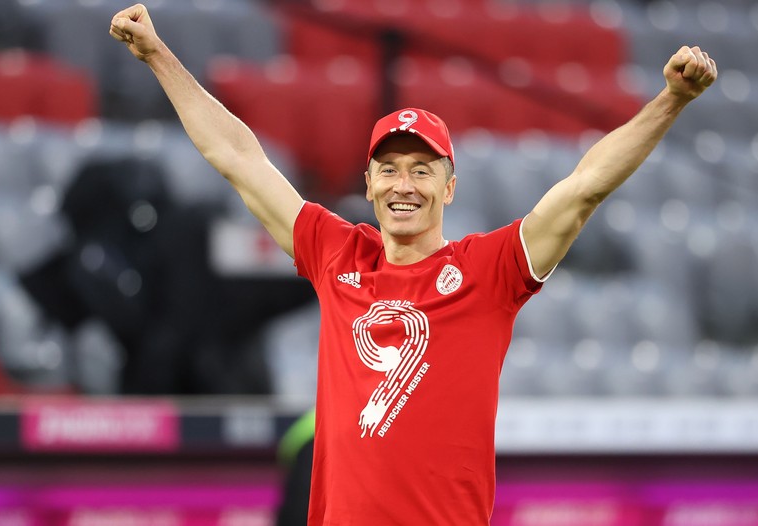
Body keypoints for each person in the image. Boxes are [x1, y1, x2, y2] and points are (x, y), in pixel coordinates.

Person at [109, 4, 717, 524]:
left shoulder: (491, 270)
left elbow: (585, 186)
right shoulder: (334, 251)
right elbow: (238, 157)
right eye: (391, 169)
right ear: (369, 183)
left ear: (449, 187)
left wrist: (672, 99)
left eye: (423, 170)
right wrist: (157, 55)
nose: (406, 185)